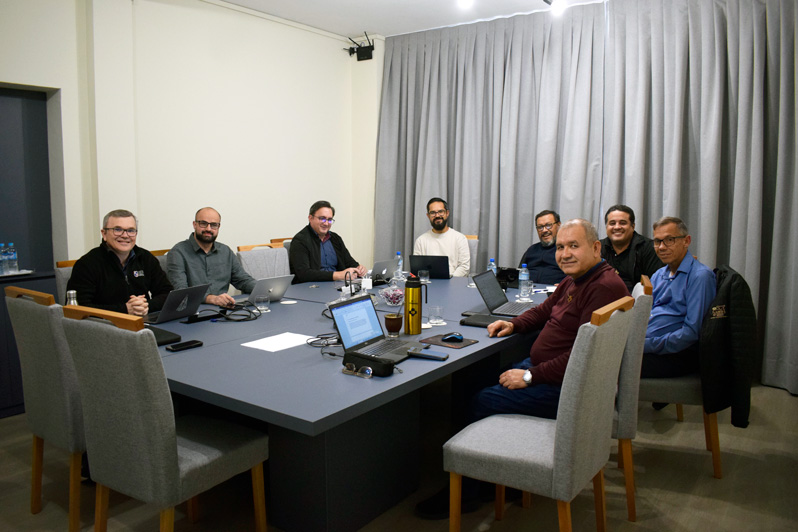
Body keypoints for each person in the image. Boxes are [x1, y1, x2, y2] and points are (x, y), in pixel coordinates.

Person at [415, 219, 629, 520]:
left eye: (573, 246)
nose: (565, 253)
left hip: (567, 389)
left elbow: (581, 358)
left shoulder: (603, 287)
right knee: (473, 379)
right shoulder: (577, 278)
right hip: (554, 374)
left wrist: (530, 376)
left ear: (595, 248)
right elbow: (545, 310)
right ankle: (495, 477)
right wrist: (515, 323)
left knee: (481, 399)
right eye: (560, 247)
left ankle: (468, 492)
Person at [642, 216, 716, 378]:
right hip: (651, 344)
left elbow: (691, 333)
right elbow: (649, 313)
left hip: (680, 353)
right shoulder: (658, 274)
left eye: (669, 240)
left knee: (612, 365)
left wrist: (646, 345)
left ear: (686, 241)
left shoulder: (700, 277)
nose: (661, 247)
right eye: (657, 241)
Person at [67, 209, 173, 316]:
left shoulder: (146, 258)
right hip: (105, 327)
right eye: (117, 229)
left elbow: (168, 293)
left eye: (131, 230)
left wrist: (146, 306)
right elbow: (79, 307)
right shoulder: (87, 264)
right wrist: (125, 309)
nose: (125, 235)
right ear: (104, 233)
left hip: (143, 323)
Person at [167, 207, 257, 307]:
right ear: (194, 224)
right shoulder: (178, 252)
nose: (208, 229)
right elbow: (180, 292)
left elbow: (242, 280)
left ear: (218, 227)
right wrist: (211, 299)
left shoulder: (225, 251)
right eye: (203, 223)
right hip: (193, 312)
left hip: (224, 310)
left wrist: (265, 289)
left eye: (214, 225)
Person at [289, 200, 367, 283]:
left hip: (337, 286)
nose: (326, 223)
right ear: (310, 218)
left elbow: (349, 262)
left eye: (329, 220)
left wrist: (359, 268)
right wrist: (338, 275)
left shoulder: (335, 238)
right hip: (312, 288)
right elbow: (304, 274)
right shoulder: (300, 240)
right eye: (322, 218)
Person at [600, 204, 663, 292]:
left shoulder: (649, 248)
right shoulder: (597, 248)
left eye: (623, 223)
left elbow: (655, 286)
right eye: (612, 223)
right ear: (606, 227)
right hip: (603, 301)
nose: (617, 227)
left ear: (632, 227)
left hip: (636, 303)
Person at [412, 197, 470, 277]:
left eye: (440, 211)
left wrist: (450, 281)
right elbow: (417, 269)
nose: (437, 215)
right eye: (432, 213)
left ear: (447, 213)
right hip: (428, 284)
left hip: (454, 283)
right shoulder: (421, 241)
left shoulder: (460, 238)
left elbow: (464, 267)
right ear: (428, 216)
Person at [518, 210, 567, 284]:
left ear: (559, 225)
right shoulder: (532, 250)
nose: (544, 230)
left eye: (548, 225)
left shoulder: (566, 250)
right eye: (540, 227)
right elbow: (519, 273)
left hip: (556, 292)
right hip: (528, 291)